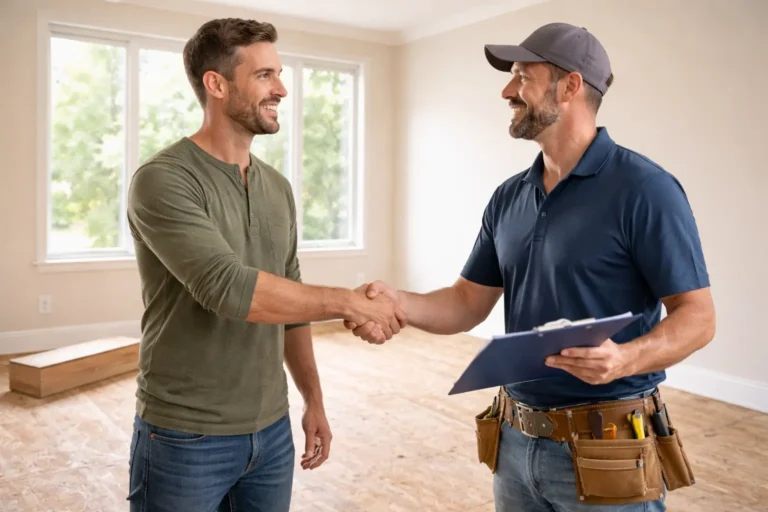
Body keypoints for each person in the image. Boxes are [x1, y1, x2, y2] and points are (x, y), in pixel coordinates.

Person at [347, 22, 715, 512]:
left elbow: (699, 318)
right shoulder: (509, 197)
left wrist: (626, 359)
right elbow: (465, 302)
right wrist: (397, 304)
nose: (506, 90)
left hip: (609, 448)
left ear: (570, 86)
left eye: (522, 75)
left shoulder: (645, 190)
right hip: (515, 445)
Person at [125, 17, 404, 512]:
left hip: (271, 434)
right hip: (185, 436)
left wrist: (312, 400)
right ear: (216, 84)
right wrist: (348, 301)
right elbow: (228, 288)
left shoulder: (277, 187)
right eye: (263, 76)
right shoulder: (163, 180)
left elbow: (290, 301)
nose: (281, 89)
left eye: (279, 74)